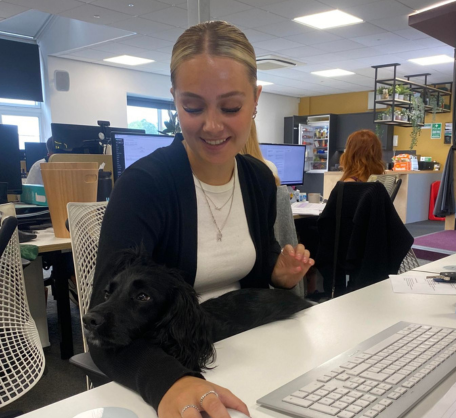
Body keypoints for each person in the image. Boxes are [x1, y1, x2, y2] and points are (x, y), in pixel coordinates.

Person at [90, 21, 315, 418]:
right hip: (175, 365)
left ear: (256, 98)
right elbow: (101, 327)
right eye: (193, 107)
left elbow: (253, 276)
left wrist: (277, 274)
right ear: (175, 99)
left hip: (250, 349)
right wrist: (170, 382)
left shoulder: (258, 178)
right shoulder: (144, 187)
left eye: (231, 107)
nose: (212, 125)